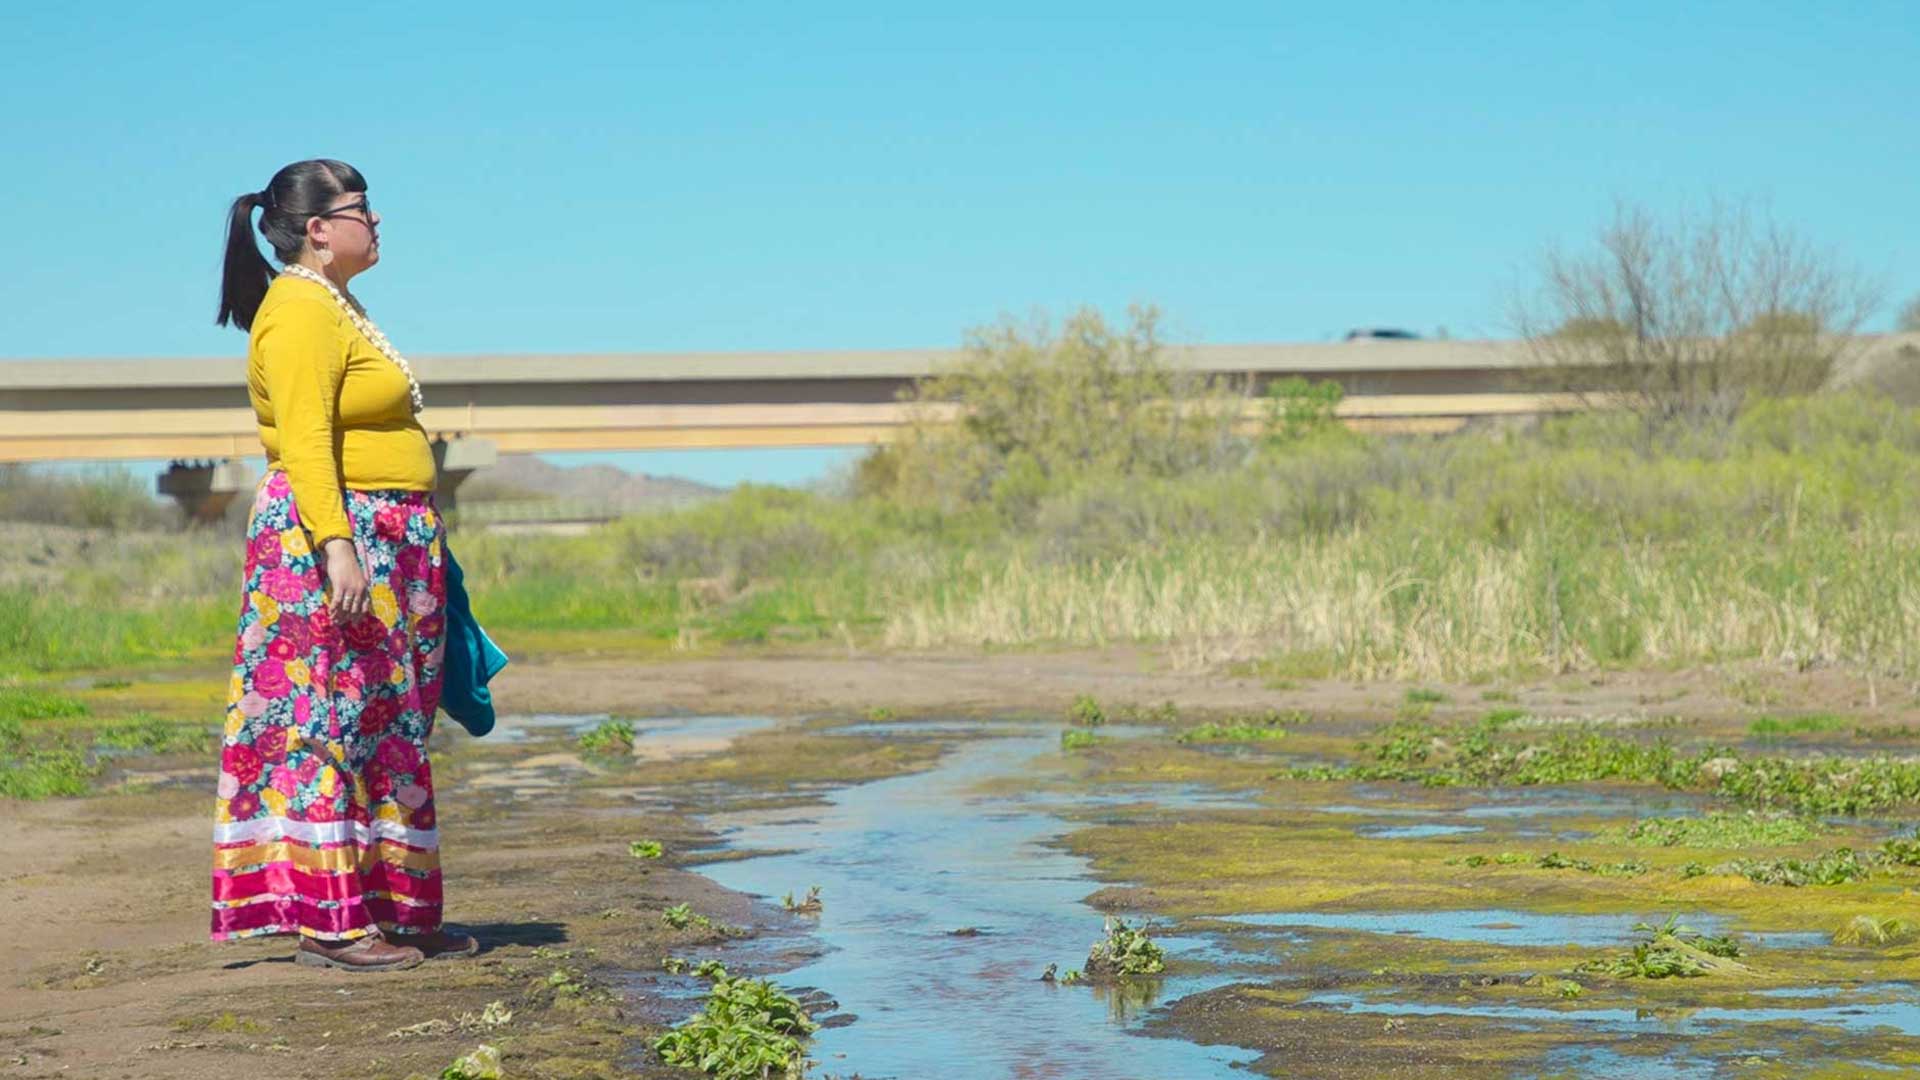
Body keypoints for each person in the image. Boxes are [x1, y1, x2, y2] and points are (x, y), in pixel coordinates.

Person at [208, 159, 476, 970]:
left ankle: (393, 908)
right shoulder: (296, 311)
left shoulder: (336, 305)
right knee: (326, 720)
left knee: (385, 723)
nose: (378, 220)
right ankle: (332, 923)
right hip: (332, 537)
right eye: (363, 208)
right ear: (319, 228)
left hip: (386, 535)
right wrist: (336, 544)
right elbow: (305, 440)